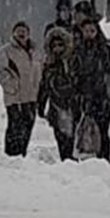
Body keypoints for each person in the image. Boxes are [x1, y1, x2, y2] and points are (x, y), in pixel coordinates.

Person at [0, 22, 44, 157]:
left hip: (31, 96)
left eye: (24, 31)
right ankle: (12, 155)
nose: (21, 34)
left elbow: (41, 70)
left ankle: (22, 153)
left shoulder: (35, 52)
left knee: (28, 125)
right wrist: (12, 86)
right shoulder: (5, 51)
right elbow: (0, 72)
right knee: (15, 126)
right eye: (18, 31)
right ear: (13, 33)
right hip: (15, 97)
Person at [75, 16, 110, 161]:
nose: (89, 34)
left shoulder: (106, 52)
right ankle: (91, 155)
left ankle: (103, 158)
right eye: (86, 31)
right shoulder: (77, 52)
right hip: (85, 97)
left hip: (104, 97)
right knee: (87, 128)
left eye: (92, 31)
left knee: (103, 130)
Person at [37, 26, 82, 161]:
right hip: (56, 105)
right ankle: (65, 160)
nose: (57, 48)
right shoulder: (49, 64)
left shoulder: (73, 61)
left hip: (73, 104)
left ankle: (71, 159)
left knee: (72, 135)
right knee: (61, 136)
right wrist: (40, 104)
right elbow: (44, 85)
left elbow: (80, 81)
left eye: (60, 45)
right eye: (54, 46)